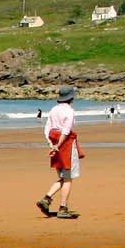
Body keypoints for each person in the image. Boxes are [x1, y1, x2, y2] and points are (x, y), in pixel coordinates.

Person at [37, 86, 81, 219]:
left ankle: (47, 199)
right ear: (71, 97)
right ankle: (62, 207)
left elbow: (47, 128)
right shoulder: (70, 111)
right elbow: (66, 131)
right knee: (68, 178)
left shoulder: (53, 110)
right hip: (65, 144)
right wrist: (57, 145)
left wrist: (51, 144)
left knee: (63, 176)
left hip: (54, 141)